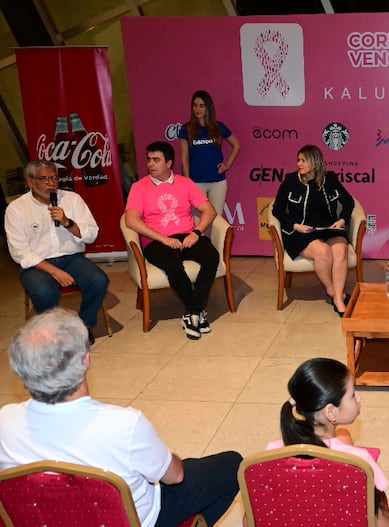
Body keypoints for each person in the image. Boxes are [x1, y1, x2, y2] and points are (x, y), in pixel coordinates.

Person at [0, 307, 242, 527]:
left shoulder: (5, 421)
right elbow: (174, 475)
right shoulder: (123, 425)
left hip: (43, 520)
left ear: (21, 371)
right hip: (132, 520)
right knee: (232, 464)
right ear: (86, 360)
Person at [266, 358, 389, 527]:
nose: (359, 398)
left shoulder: (270, 454)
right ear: (330, 412)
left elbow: (250, 519)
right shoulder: (358, 461)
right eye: (353, 394)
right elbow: (383, 524)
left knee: (343, 435)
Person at [4, 160, 109, 344]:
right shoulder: (16, 209)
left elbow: (92, 234)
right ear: (30, 182)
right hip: (37, 263)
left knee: (99, 280)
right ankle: (54, 333)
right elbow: (19, 251)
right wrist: (54, 271)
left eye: (54, 177)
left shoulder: (72, 199)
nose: (51, 183)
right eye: (44, 179)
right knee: (44, 292)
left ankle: (83, 327)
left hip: (71, 258)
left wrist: (67, 222)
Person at [125, 141, 221, 340]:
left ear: (169, 163)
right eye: (149, 159)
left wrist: (196, 232)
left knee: (211, 256)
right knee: (173, 264)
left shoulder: (185, 183)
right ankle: (196, 312)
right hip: (158, 241)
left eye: (156, 160)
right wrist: (164, 239)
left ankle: (192, 312)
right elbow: (131, 219)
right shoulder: (139, 187)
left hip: (187, 235)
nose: (150, 164)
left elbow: (209, 210)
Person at [271, 145, 354, 316]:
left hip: (328, 228)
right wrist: (294, 225)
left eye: (303, 160)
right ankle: (334, 293)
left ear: (314, 162)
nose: (299, 164)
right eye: (298, 160)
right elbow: (277, 210)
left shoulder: (329, 178)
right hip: (300, 231)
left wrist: (342, 219)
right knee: (323, 251)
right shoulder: (290, 180)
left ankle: (338, 298)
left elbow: (348, 201)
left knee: (340, 250)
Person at [178, 90, 240, 216]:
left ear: (208, 107)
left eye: (202, 106)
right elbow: (184, 158)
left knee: (216, 219)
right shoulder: (186, 129)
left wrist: (227, 165)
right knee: (197, 220)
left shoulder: (219, 127)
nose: (198, 109)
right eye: (195, 105)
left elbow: (236, 145)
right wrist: (187, 181)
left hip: (217, 181)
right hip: (195, 182)